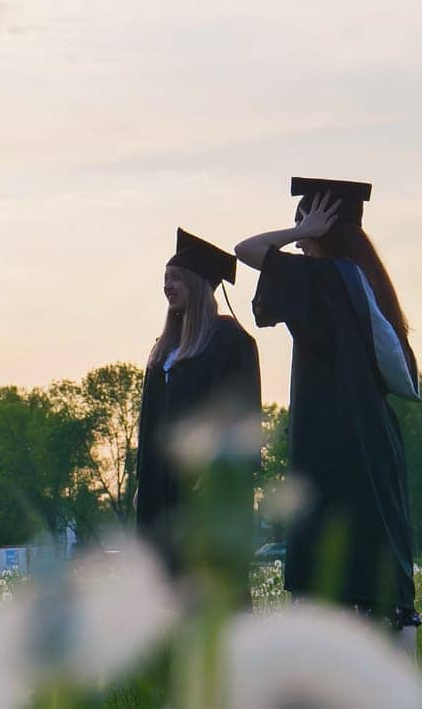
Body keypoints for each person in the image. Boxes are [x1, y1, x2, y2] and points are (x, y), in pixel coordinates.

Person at [235, 178, 420, 648]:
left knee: (329, 546)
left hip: (330, 439)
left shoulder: (324, 277)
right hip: (374, 441)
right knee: (375, 546)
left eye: (306, 219)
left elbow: (247, 249)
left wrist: (299, 233)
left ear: (322, 225)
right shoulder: (367, 282)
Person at [133, 229, 261, 595]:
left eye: (175, 278)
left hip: (208, 482)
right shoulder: (164, 350)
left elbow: (242, 413)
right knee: (163, 583)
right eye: (164, 279)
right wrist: (144, 479)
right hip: (162, 483)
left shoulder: (231, 342)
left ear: (197, 283)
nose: (167, 286)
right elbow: (150, 424)